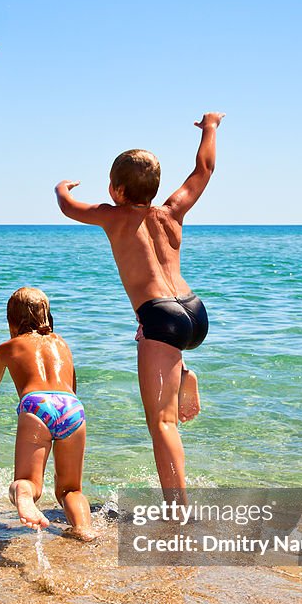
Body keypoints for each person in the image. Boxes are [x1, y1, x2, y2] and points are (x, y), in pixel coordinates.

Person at [54, 113, 225, 501]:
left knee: (162, 423)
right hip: (194, 312)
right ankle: (183, 373)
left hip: (161, 319)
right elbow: (204, 168)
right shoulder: (172, 212)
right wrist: (211, 127)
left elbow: (67, 206)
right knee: (159, 359)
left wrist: (62, 187)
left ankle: (176, 509)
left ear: (115, 189)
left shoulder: (112, 216)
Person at [0, 288, 96, 541]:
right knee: (71, 489)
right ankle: (84, 529)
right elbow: (72, 384)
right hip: (72, 407)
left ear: (11, 320)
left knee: (29, 481)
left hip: (36, 406)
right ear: (48, 316)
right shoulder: (62, 344)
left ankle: (25, 496)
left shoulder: (7, 347)